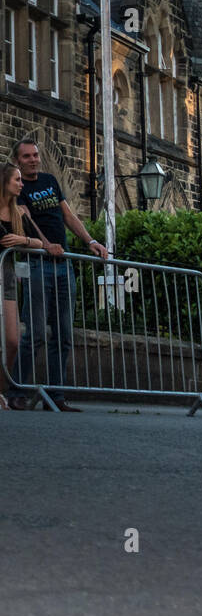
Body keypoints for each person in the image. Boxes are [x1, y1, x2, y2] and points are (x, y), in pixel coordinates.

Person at [8, 139, 108, 413]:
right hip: (37, 264)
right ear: (18, 161)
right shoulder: (18, 187)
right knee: (36, 334)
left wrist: (90, 241)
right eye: (26, 156)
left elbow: (68, 215)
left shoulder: (51, 180)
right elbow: (26, 220)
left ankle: (56, 396)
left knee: (64, 334)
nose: (33, 159)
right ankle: (16, 392)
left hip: (63, 265)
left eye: (35, 155)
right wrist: (46, 245)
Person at [0, 163, 50, 409]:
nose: (22, 184)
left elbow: (41, 244)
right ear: (4, 182)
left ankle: (1, 389)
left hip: (6, 277)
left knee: (12, 340)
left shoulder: (18, 214)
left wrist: (23, 239)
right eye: (17, 180)